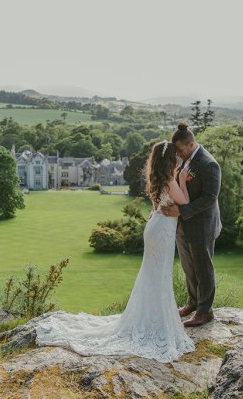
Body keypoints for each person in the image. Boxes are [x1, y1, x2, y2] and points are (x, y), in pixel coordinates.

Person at [35, 140, 195, 363]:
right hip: (163, 232)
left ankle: (150, 320)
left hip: (156, 228)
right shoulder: (170, 180)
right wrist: (183, 178)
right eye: (175, 157)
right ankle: (156, 323)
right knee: (159, 276)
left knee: (152, 275)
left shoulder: (158, 178)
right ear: (170, 160)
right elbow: (185, 202)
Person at [161, 123, 222, 327]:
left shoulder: (208, 164)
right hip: (183, 225)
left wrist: (182, 211)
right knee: (189, 267)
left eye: (180, 149)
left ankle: (205, 311)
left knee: (203, 268)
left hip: (202, 226)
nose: (177, 154)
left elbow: (209, 198)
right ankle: (192, 302)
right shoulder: (185, 160)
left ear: (191, 144)